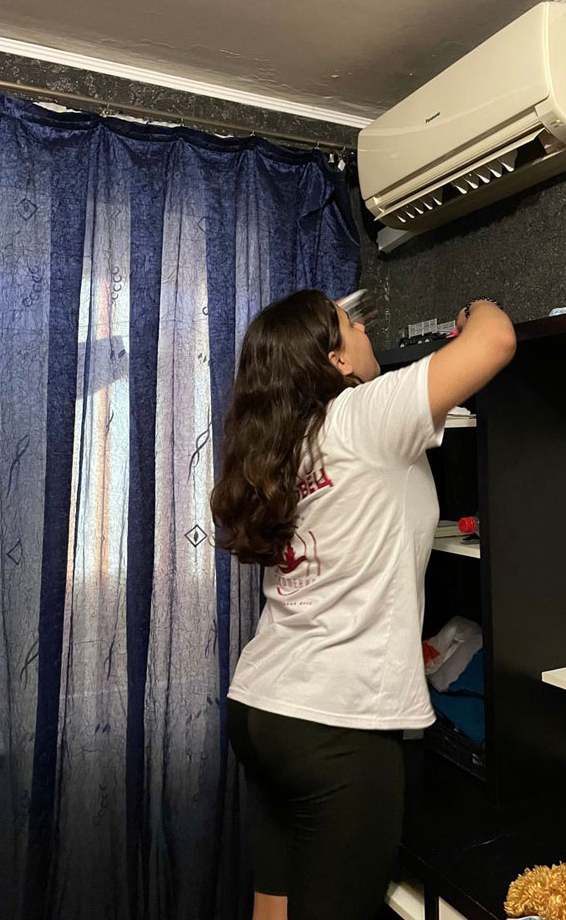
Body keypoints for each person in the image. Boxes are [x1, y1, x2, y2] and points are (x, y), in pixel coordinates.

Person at [211, 289, 516, 920]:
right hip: (337, 725)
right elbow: (496, 339)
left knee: (274, 905)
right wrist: (474, 310)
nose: (366, 331)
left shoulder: (285, 443)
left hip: (263, 708)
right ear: (337, 361)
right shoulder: (363, 415)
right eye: (352, 325)